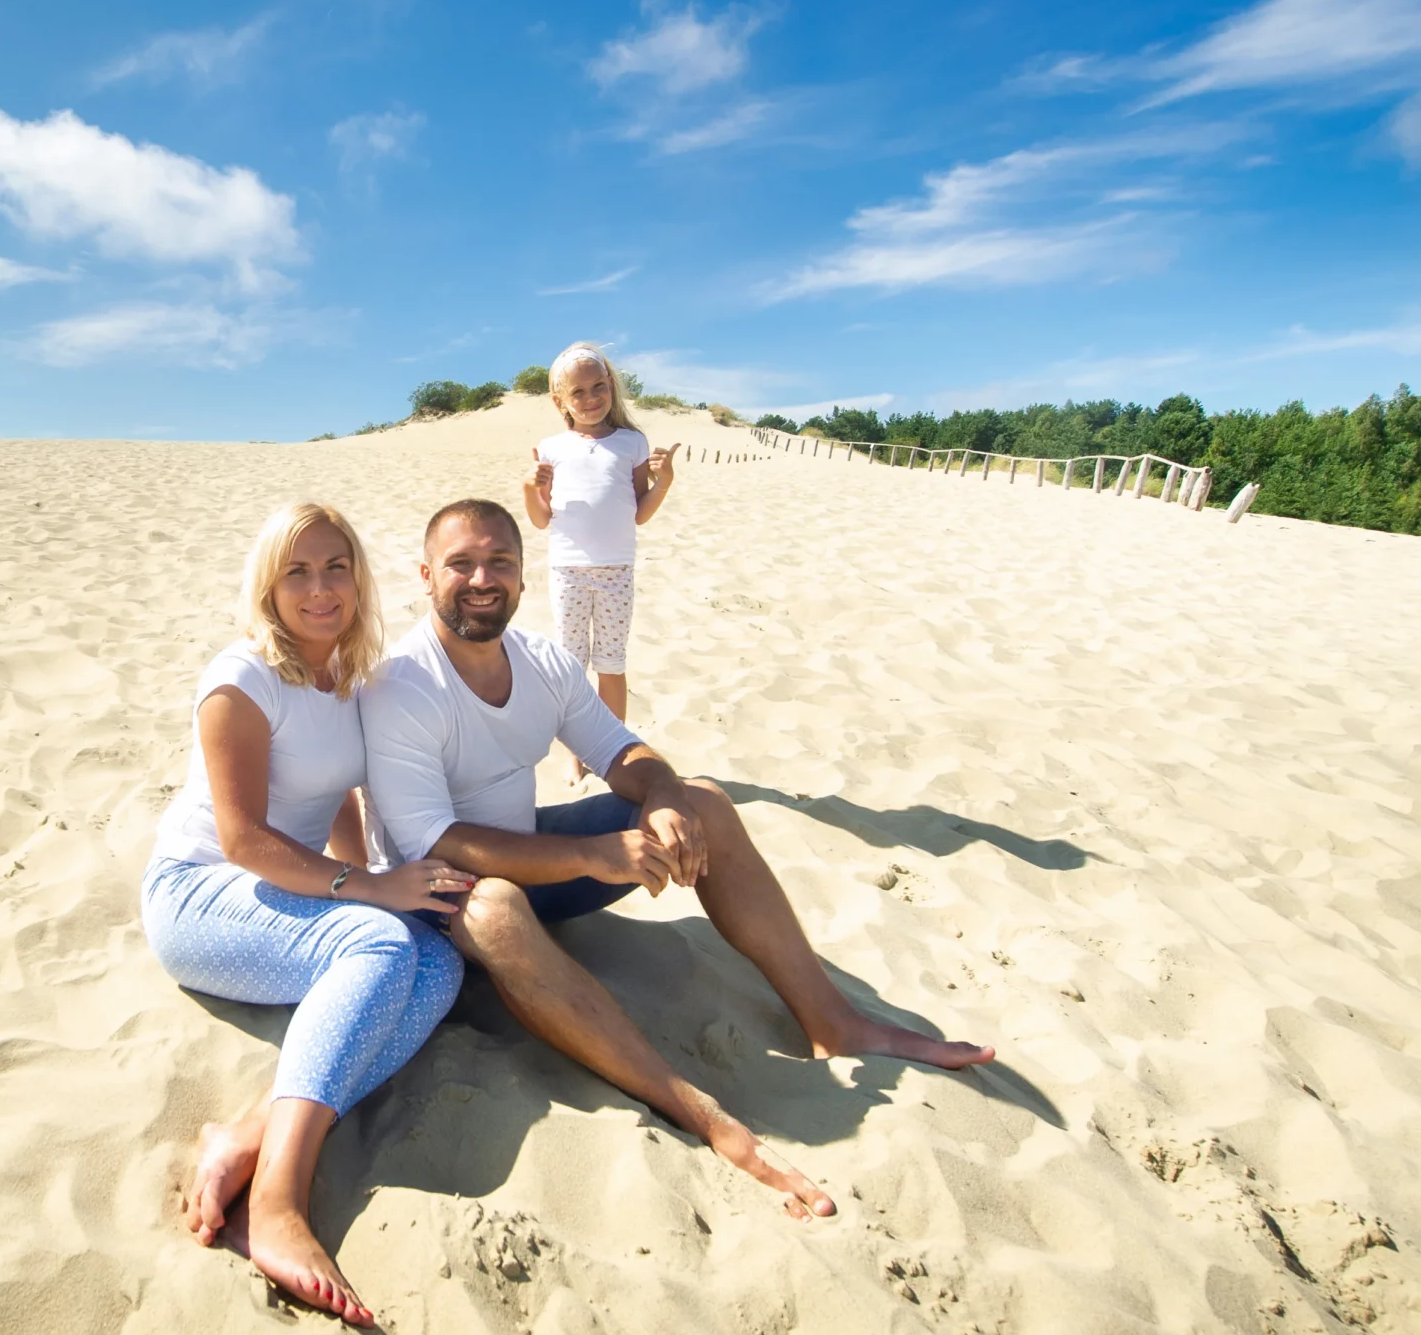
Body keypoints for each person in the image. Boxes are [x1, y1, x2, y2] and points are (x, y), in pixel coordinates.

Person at [362, 499, 994, 1221]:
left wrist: (661, 792)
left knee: (707, 804)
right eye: (461, 563)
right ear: (425, 576)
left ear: (523, 575)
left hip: (534, 863)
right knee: (495, 903)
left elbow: (622, 751)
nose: (482, 577)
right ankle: (691, 1105)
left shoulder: (542, 663)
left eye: (500, 561)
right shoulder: (402, 685)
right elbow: (434, 843)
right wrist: (594, 853)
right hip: (440, 901)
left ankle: (832, 1021)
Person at [143, 501, 476, 1324]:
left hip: (283, 894)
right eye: (298, 570)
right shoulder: (243, 678)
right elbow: (245, 838)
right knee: (380, 939)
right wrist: (369, 891)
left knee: (436, 962)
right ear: (269, 584)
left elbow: (339, 800)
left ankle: (250, 1137)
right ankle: (279, 1202)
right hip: (198, 896)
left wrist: (368, 877)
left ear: (359, 581)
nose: (320, 588)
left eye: (336, 568)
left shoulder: (346, 675)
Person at [521, 343, 679, 745]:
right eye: (578, 392)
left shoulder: (632, 443)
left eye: (599, 386)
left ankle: (614, 750)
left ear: (611, 386)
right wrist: (529, 487)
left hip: (616, 572)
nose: (591, 399)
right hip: (567, 571)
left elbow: (639, 512)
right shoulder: (552, 448)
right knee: (571, 666)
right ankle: (577, 750)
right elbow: (541, 520)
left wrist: (664, 482)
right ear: (560, 401)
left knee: (611, 663)